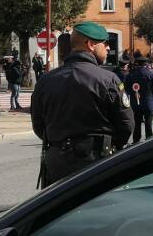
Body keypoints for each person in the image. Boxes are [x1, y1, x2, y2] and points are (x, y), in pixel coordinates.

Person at [32, 21, 133, 188]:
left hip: (57, 164)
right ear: (91, 44)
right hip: (96, 163)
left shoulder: (45, 81)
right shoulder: (108, 80)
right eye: (105, 43)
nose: (108, 48)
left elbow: (39, 125)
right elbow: (126, 125)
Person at [127, 57, 153, 143]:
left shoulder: (131, 74)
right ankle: (149, 139)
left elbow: (126, 88)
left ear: (137, 63)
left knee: (137, 122)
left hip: (135, 102)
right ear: (146, 64)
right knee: (148, 122)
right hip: (148, 101)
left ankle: (136, 140)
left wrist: (133, 94)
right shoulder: (151, 73)